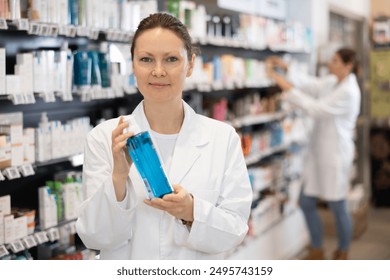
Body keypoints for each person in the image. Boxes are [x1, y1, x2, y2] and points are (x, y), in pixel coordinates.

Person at [76, 12, 253, 260]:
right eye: (146, 59)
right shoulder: (104, 138)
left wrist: (191, 211)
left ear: (190, 64)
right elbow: (95, 238)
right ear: (133, 65)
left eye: (171, 59)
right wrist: (118, 177)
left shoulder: (223, 139)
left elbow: (235, 229)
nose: (158, 71)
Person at [266, 48, 361, 260]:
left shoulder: (349, 91)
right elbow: (312, 85)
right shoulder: (332, 81)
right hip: (319, 153)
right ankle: (317, 249)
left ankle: (343, 252)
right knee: (306, 202)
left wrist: (286, 87)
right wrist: (287, 67)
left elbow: (317, 108)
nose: (330, 63)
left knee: (338, 207)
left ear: (347, 66)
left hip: (335, 156)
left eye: (335, 61)